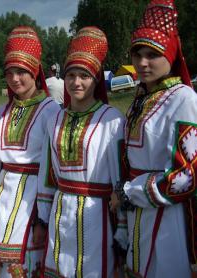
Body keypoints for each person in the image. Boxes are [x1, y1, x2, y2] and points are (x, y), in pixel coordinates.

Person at [112, 0, 197, 277]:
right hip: (138, 212)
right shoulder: (141, 97)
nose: (142, 63)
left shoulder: (184, 98)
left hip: (167, 215)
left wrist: (129, 192)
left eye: (152, 55)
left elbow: (187, 176)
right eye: (138, 55)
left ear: (170, 56)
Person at [37, 26, 125, 278]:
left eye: (84, 76)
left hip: (96, 216)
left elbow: (119, 179)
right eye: (71, 75)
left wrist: (122, 229)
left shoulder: (111, 119)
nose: (76, 82)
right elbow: (47, 174)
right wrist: (43, 218)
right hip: (61, 210)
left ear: (96, 79)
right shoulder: (55, 119)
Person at [0, 26, 60, 277]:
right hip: (4, 196)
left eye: (21, 72)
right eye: (9, 73)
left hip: (32, 200)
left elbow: (51, 167)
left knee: (28, 262)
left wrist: (42, 217)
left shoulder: (51, 111)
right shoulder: (2, 112)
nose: (15, 79)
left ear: (35, 72)